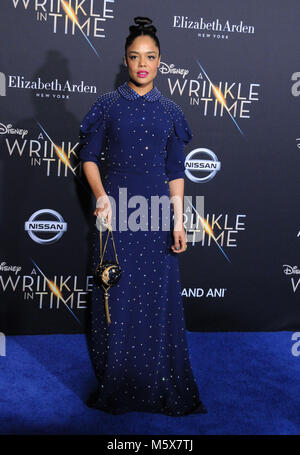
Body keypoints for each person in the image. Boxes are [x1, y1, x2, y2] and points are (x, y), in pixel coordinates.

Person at [77, 16, 207, 416]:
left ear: (160, 61)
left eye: (150, 57)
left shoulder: (170, 110)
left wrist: (179, 219)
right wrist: (101, 197)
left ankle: (156, 381)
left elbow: (175, 171)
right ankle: (118, 379)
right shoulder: (108, 105)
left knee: (155, 301)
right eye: (135, 57)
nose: (142, 64)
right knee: (114, 298)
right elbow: (88, 157)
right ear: (125, 60)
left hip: (153, 214)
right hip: (115, 213)